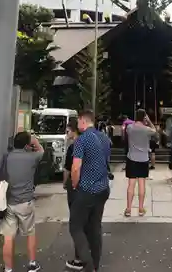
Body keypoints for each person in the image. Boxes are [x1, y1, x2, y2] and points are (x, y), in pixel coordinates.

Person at [69, 110, 111, 272]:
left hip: (87, 189)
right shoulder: (104, 138)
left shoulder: (82, 140)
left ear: (82, 121)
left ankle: (87, 264)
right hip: (103, 188)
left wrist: (74, 185)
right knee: (95, 227)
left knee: (76, 226)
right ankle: (95, 265)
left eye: (78, 121)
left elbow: (76, 167)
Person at [0, 131, 44, 272]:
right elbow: (41, 150)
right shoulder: (32, 157)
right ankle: (32, 263)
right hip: (26, 202)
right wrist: (35, 141)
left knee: (8, 236)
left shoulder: (7, 157)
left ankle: (8, 269)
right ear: (27, 145)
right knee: (30, 232)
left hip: (9, 202)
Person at [124, 109, 156, 217]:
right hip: (143, 159)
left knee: (131, 184)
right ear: (144, 117)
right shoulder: (147, 129)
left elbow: (130, 127)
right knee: (142, 183)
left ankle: (128, 209)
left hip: (132, 158)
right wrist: (149, 121)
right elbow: (155, 131)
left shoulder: (130, 128)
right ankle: (141, 209)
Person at [63, 120, 84, 271]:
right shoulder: (89, 143)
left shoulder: (73, 147)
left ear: (74, 131)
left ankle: (79, 258)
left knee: (76, 223)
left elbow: (69, 169)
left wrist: (67, 183)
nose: (67, 134)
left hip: (75, 186)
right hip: (89, 186)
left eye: (68, 131)